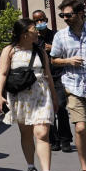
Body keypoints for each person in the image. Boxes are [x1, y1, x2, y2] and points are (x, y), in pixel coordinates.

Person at [0, 17, 60, 171]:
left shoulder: (40, 51)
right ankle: (31, 167)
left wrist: (54, 96)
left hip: (41, 93)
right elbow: (3, 73)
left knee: (42, 132)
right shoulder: (9, 51)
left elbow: (48, 75)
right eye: (34, 30)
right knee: (26, 133)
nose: (38, 32)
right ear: (24, 34)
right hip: (20, 96)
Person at [49, 0, 86, 171]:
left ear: (81, 14)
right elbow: (54, 59)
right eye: (62, 15)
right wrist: (68, 61)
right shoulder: (60, 36)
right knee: (80, 128)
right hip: (73, 87)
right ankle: (84, 169)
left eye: (68, 15)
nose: (65, 18)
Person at [34, 9, 72, 152]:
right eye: (36, 21)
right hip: (41, 78)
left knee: (61, 106)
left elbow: (67, 52)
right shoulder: (34, 39)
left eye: (41, 20)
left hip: (57, 76)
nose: (39, 23)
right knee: (47, 110)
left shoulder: (56, 36)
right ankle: (53, 139)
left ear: (46, 20)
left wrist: (52, 48)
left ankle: (65, 139)